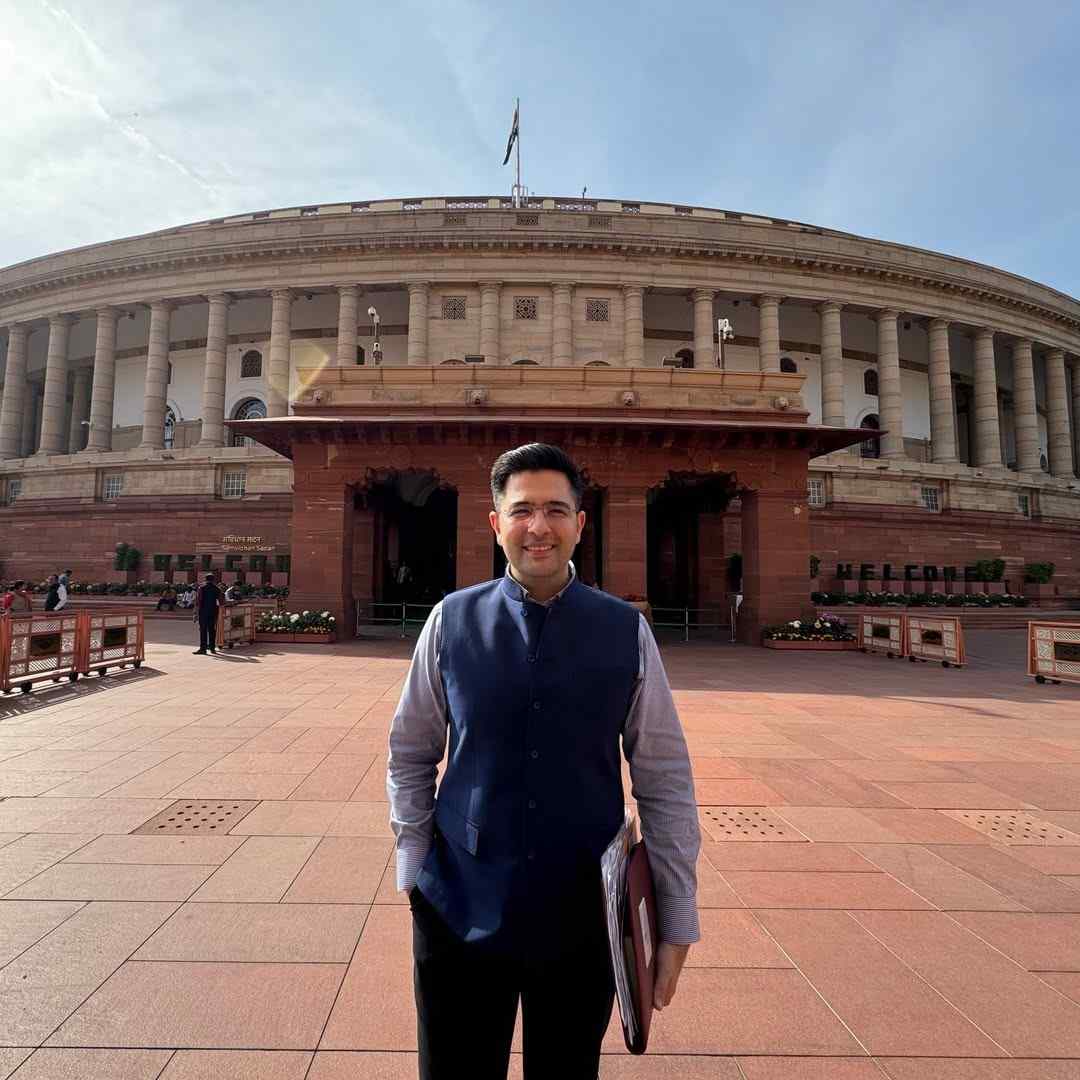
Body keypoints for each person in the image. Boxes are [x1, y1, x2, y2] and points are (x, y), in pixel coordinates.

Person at [387, 443, 700, 1080]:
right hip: (459, 904)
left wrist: (675, 918)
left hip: (581, 915)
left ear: (580, 524)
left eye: (556, 510)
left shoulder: (624, 631)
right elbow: (410, 751)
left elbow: (664, 777)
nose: (539, 527)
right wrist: (414, 867)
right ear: (494, 523)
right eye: (521, 510)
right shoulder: (451, 622)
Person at [192, 573, 223, 654]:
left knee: (203, 630)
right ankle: (212, 648)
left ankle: (203, 648)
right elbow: (220, 601)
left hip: (203, 611)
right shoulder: (217, 589)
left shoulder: (201, 588)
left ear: (205, 579)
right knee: (212, 629)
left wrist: (195, 612)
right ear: (213, 580)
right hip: (213, 611)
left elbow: (198, 601)